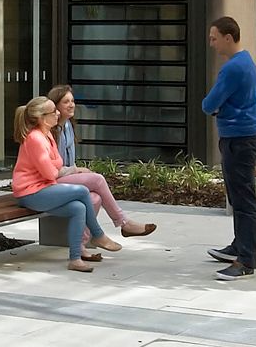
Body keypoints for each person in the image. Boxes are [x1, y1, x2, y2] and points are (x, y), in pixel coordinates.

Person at [10, 96, 109, 270]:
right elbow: (51, 173)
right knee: (82, 191)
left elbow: (57, 164)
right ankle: (98, 234)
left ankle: (75, 259)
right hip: (30, 193)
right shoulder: (35, 139)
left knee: (79, 208)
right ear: (41, 118)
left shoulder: (47, 135)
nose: (57, 113)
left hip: (43, 188)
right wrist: (60, 169)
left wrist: (59, 169)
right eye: (53, 111)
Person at [47, 86, 155, 238]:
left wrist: (76, 169)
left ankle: (81, 245)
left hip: (66, 176)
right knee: (97, 180)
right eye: (66, 102)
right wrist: (76, 170)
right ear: (55, 106)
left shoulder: (68, 125)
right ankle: (123, 222)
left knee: (95, 199)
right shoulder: (50, 130)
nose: (71, 105)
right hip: (52, 182)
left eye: (72, 101)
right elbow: (52, 169)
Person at [202, 16, 256, 278]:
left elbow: (208, 103)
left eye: (214, 38)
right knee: (239, 197)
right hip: (243, 137)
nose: (212, 43)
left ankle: (246, 260)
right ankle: (239, 246)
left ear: (229, 37)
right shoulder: (246, 61)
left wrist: (216, 108)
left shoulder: (232, 68)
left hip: (238, 139)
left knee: (243, 199)